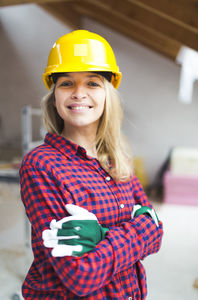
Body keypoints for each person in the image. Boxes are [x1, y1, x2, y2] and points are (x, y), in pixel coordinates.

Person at [20, 29, 163, 300]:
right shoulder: (41, 165)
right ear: (54, 95)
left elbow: (156, 230)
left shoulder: (116, 158)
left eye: (92, 83)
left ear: (107, 93)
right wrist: (137, 230)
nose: (78, 93)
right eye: (66, 83)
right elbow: (81, 275)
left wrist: (102, 236)